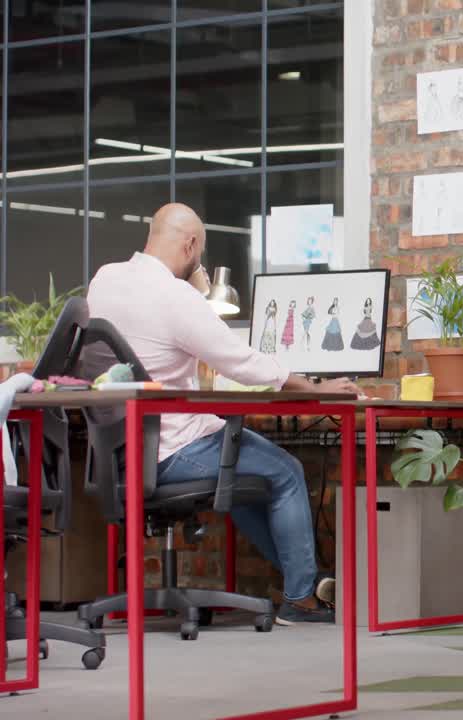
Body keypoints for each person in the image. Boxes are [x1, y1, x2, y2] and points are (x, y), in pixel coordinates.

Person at [85, 203, 360, 625]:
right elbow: (239, 361)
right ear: (191, 245)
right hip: (174, 449)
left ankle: (304, 582)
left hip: (120, 452)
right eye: (200, 252)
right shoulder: (175, 295)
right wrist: (314, 387)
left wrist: (191, 292)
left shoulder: (105, 278)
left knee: (247, 480)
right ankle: (302, 598)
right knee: (286, 471)